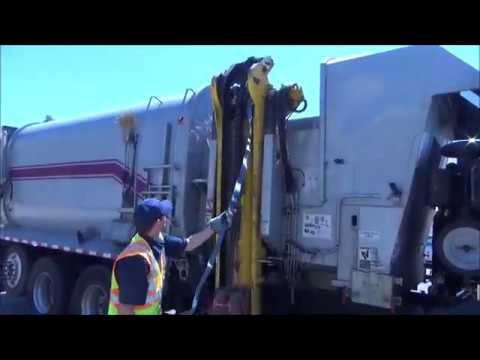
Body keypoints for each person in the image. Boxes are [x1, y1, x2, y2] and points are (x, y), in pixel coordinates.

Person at [108, 198, 231, 315]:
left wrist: (212, 228)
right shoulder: (135, 260)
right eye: (164, 216)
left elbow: (188, 244)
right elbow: (126, 309)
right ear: (158, 222)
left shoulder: (157, 240)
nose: (167, 218)